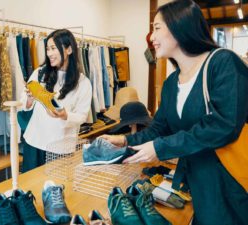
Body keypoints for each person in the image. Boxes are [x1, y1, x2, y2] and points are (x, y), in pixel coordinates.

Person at [101, 1, 248, 225]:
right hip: (198, 182)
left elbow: (224, 125)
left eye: (157, 28)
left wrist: (161, 148)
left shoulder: (223, 63)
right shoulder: (171, 83)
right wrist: (124, 140)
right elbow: (160, 127)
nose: (151, 37)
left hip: (230, 181)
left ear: (181, 26)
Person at [21, 29, 92, 172]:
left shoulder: (83, 83)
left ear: (69, 49)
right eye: (47, 49)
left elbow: (82, 115)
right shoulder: (39, 73)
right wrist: (29, 99)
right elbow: (25, 105)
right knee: (30, 188)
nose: (49, 54)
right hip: (34, 142)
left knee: (55, 188)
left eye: (53, 48)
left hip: (60, 146)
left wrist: (66, 115)